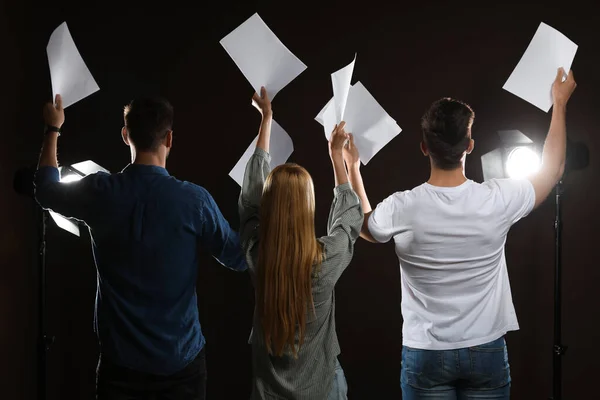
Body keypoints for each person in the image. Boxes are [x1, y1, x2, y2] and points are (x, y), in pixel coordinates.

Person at [345, 68, 577, 399]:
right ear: (469, 145)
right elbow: (553, 169)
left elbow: (363, 226)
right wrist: (559, 102)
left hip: (425, 353)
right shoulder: (496, 199)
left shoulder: (402, 207)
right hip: (485, 349)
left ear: (424, 147)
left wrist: (352, 168)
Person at [35, 94, 247, 400]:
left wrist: (53, 128)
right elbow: (239, 257)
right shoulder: (194, 201)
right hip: (181, 367)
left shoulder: (101, 192)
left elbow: (45, 190)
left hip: (121, 368)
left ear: (125, 135)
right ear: (170, 138)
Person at [238, 87, 364, 400]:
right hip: (322, 390)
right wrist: (339, 159)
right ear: (308, 206)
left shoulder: (256, 253)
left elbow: (251, 200)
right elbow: (348, 222)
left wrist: (266, 120)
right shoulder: (324, 260)